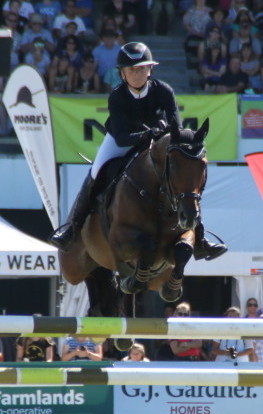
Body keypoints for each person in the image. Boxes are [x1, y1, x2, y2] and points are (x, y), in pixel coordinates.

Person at [49, 41, 227, 262]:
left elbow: (177, 131)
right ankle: (72, 229)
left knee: (183, 176)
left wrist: (160, 137)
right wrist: (148, 135)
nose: (137, 74)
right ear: (122, 74)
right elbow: (123, 138)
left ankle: (199, 239)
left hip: (157, 140)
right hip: (120, 140)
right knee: (96, 172)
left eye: (142, 68)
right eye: (132, 70)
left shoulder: (164, 91)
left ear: (150, 69)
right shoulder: (117, 97)